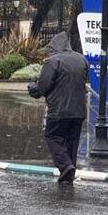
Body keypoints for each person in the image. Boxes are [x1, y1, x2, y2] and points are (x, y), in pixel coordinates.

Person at [28, 33, 88, 183]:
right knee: (72, 141)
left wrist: (32, 87)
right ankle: (69, 173)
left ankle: (65, 165)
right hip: (79, 110)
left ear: (54, 46)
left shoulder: (53, 61)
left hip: (59, 109)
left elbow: (42, 87)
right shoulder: (81, 60)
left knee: (52, 136)